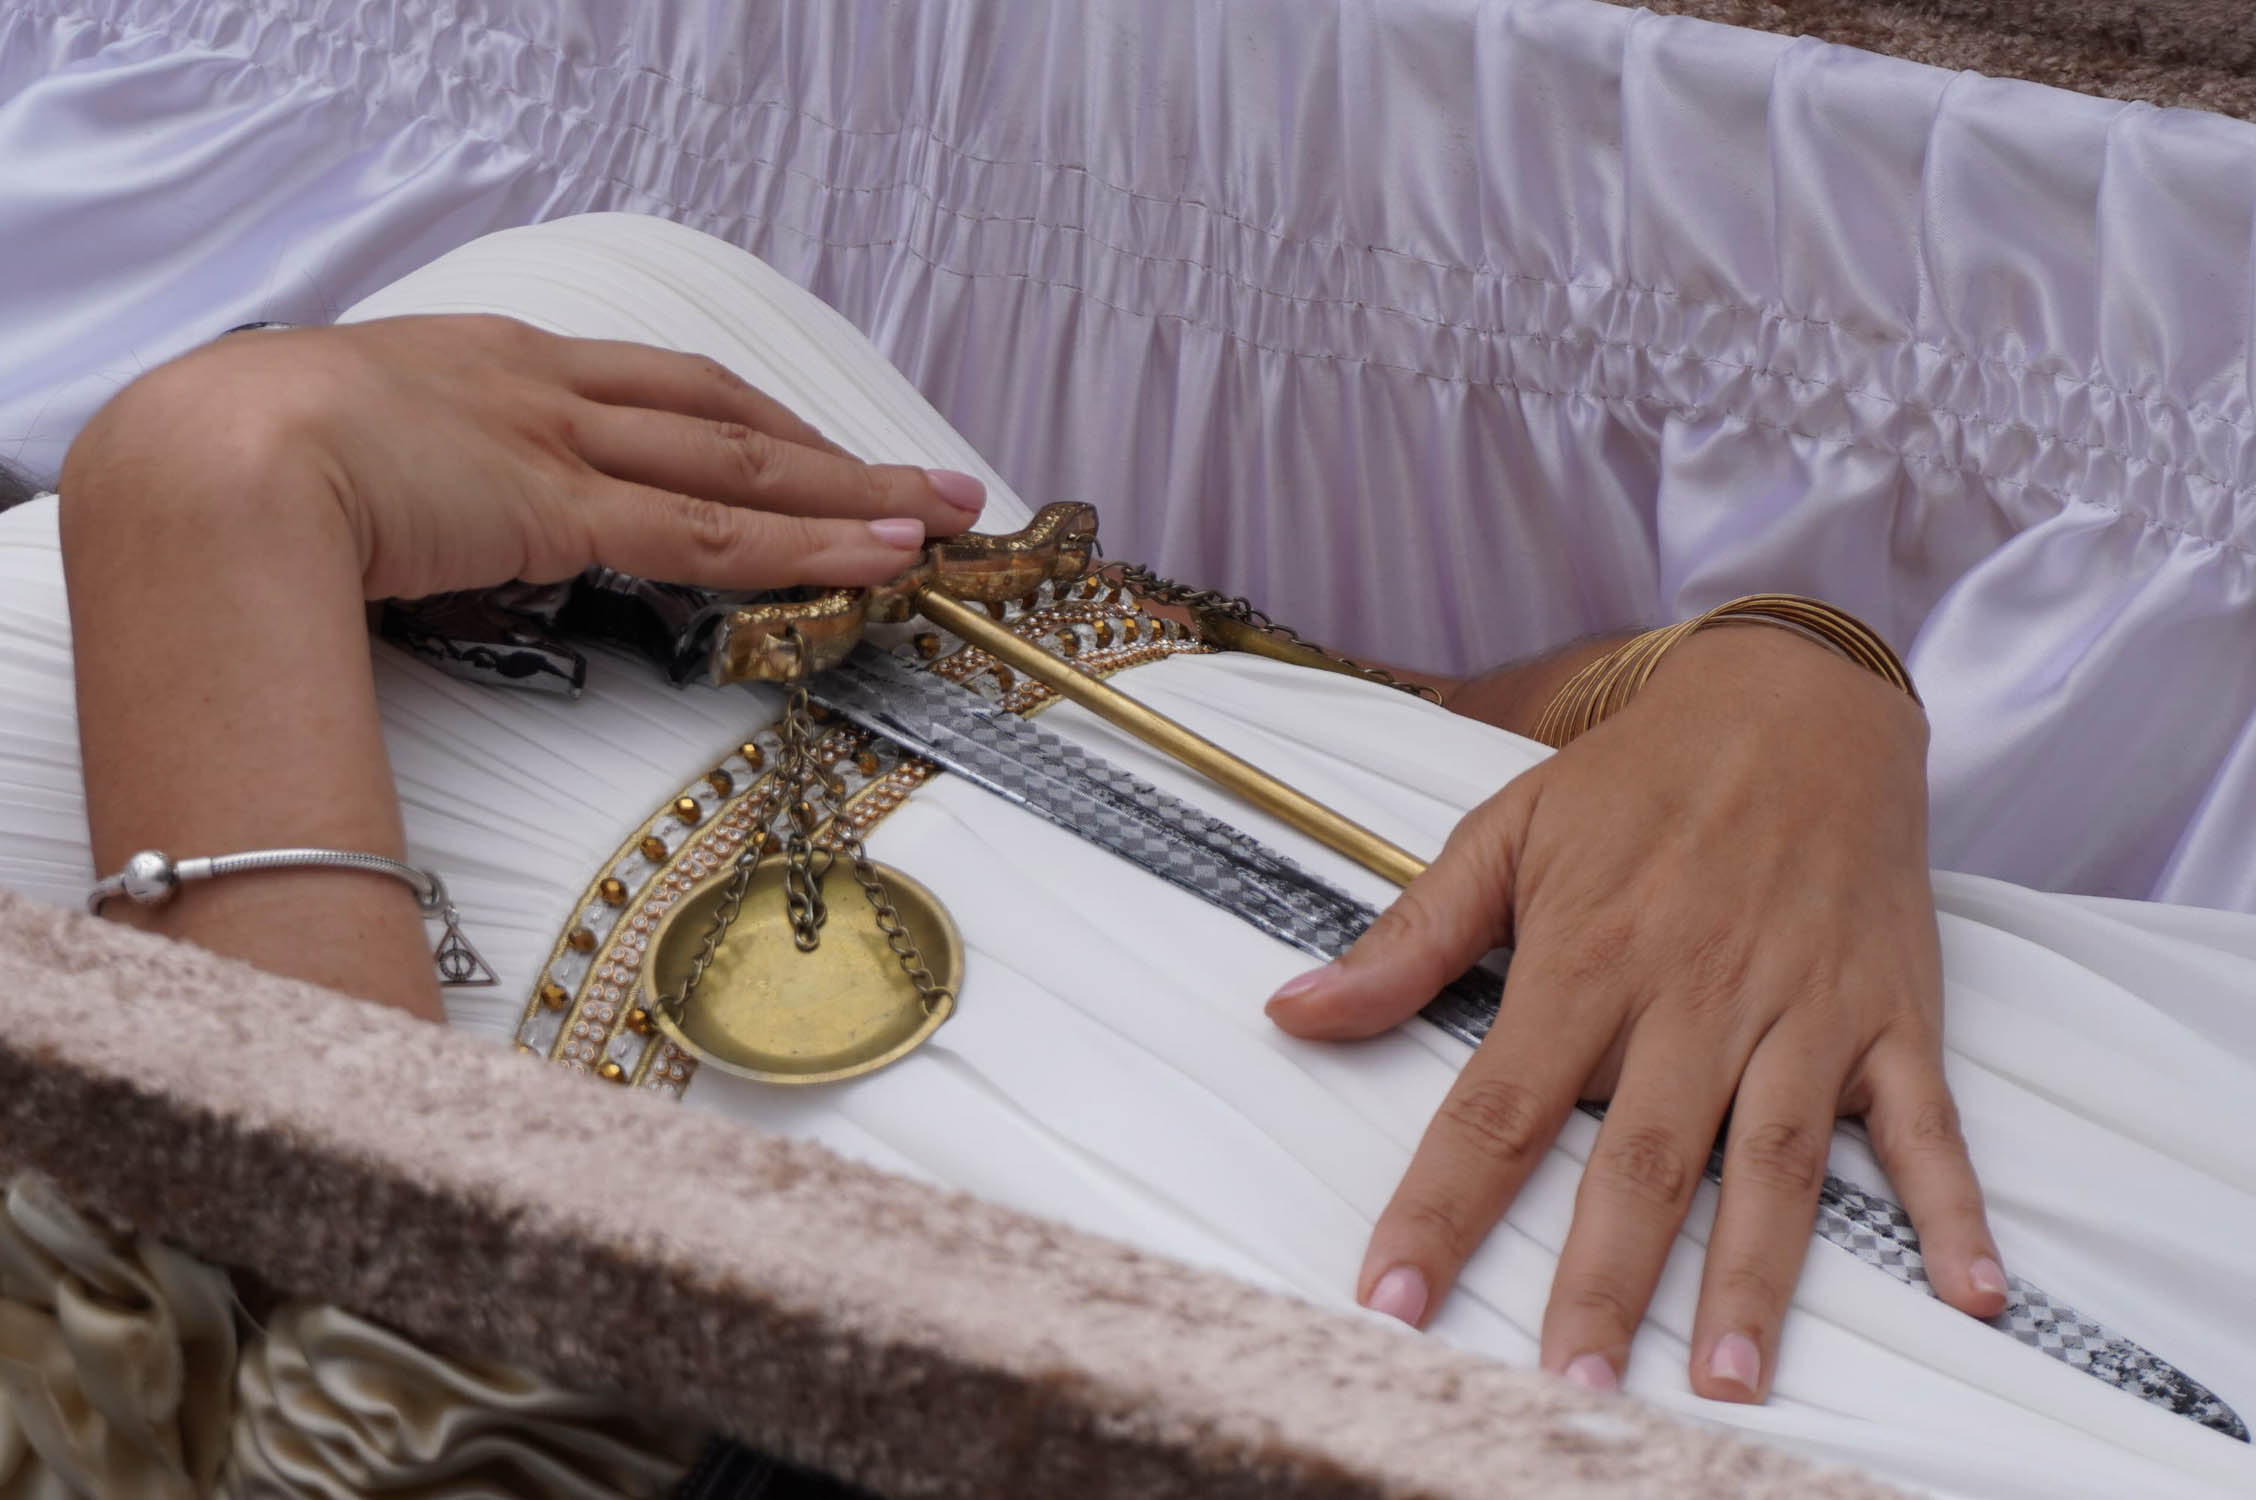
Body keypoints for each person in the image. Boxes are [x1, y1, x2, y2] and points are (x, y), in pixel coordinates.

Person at [2, 213, 2252, 1500]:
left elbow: (1285, 700)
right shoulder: (203, 448)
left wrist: (1786, 687)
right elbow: (380, 1435)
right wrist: (206, 510)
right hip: (1290, 1357)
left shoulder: (399, 288)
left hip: (1989, 1075)